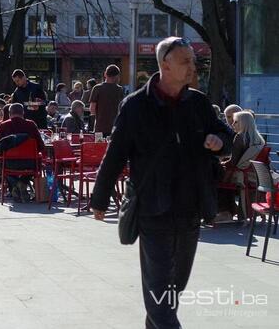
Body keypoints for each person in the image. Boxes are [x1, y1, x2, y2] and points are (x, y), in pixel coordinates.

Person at [90, 37, 233, 329]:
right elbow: (115, 155)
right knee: (159, 293)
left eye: (193, 60)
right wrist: (100, 198)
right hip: (153, 210)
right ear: (165, 64)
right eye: (186, 61)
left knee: (171, 292)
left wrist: (220, 142)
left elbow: (228, 136)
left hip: (190, 210)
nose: (193, 66)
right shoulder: (135, 106)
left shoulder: (199, 103)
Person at [0, 103, 46, 201]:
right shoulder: (31, 124)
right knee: (38, 161)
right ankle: (22, 182)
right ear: (23, 113)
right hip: (30, 163)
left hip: (9, 163)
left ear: (9, 113)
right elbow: (41, 146)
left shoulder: (4, 125)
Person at [216, 110, 265, 222]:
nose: (232, 124)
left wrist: (221, 163)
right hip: (255, 175)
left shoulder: (239, 137)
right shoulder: (259, 139)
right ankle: (234, 210)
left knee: (216, 179)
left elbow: (233, 162)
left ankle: (226, 211)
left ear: (243, 123)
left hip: (241, 176)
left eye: (236, 122)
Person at [89, 65, 124, 137]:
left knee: (99, 147)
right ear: (117, 76)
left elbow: (92, 109)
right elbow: (122, 109)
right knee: (112, 147)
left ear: (105, 74)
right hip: (115, 128)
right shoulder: (120, 90)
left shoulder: (97, 88)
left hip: (99, 127)